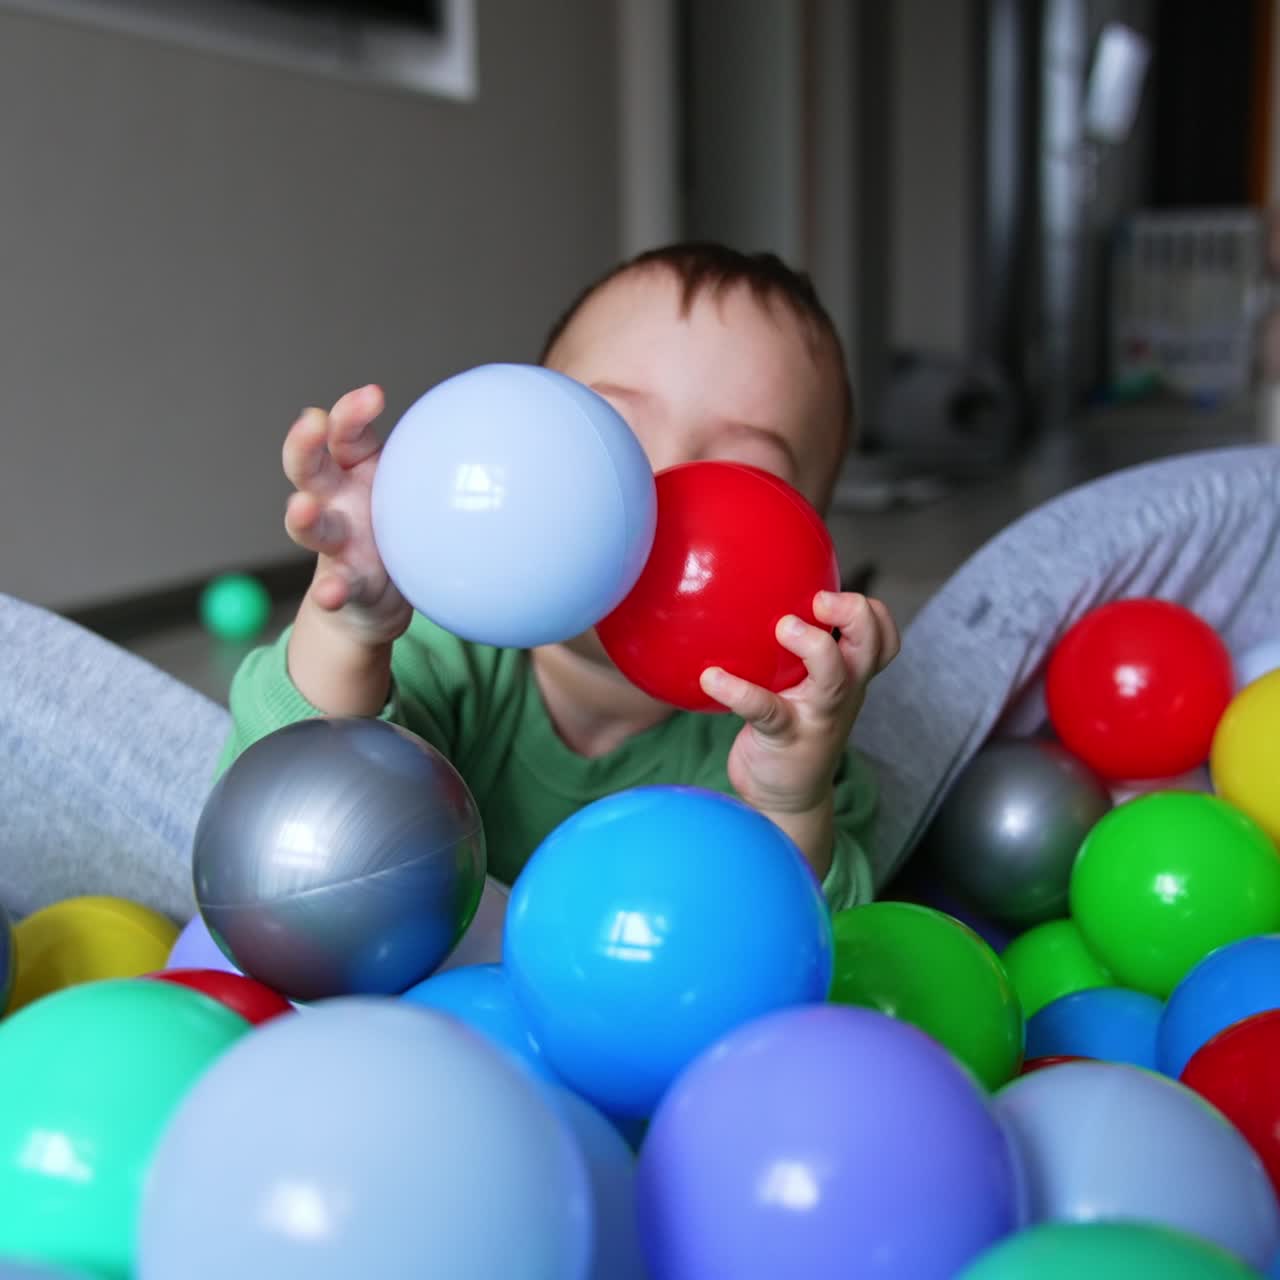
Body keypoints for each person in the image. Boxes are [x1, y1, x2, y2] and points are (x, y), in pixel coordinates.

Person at [218, 242, 901, 911]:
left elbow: (808, 953)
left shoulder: (779, 742)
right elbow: (279, 831)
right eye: (613, 434)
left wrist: (790, 800)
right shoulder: (440, 652)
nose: (657, 500)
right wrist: (350, 632)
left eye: (739, 476)